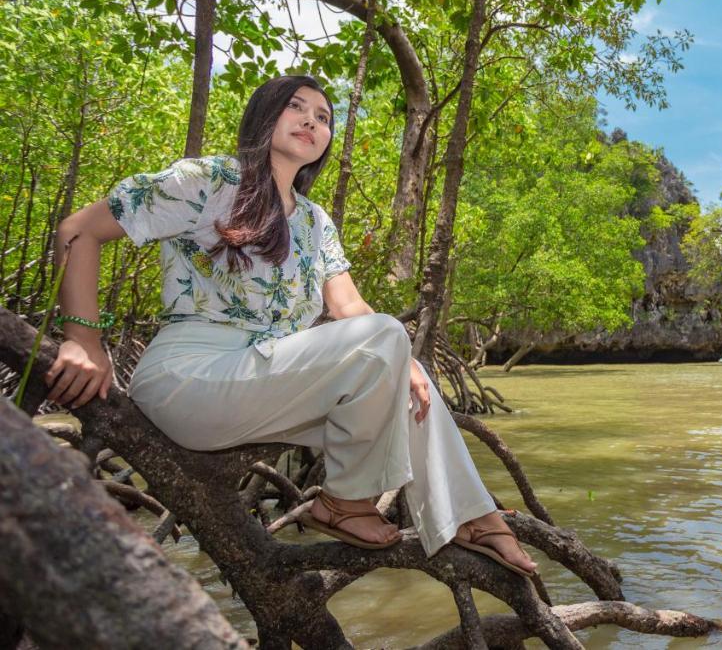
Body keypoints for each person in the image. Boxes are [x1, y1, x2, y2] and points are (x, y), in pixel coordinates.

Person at [45, 74, 538, 576]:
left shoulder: (315, 221)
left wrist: (403, 363)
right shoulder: (209, 180)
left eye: (323, 117)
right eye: (296, 108)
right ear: (264, 117)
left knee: (410, 383)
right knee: (390, 341)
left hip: (265, 379)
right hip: (191, 379)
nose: (311, 121)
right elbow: (78, 230)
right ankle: (347, 502)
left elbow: (349, 308)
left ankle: (470, 517)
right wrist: (83, 338)